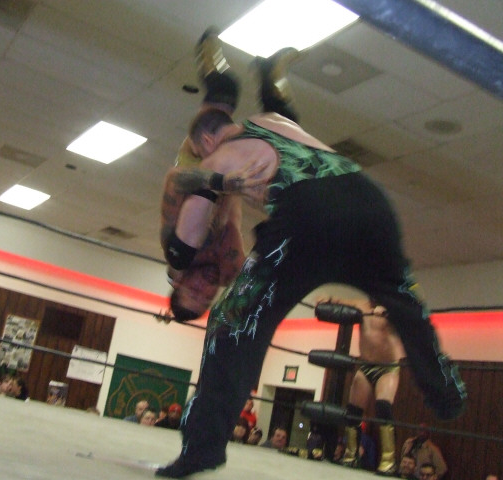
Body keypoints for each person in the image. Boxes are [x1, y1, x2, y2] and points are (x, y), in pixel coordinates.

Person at [157, 107, 466, 477]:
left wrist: (178, 258)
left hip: (307, 217)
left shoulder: (219, 159)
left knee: (231, 321)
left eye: (199, 151)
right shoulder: (271, 120)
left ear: (207, 140)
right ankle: (444, 387)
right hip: (371, 202)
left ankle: (201, 450)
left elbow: (185, 243)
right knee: (401, 296)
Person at [162, 28, 300, 322]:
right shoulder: (229, 270)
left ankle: (205, 49)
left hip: (201, 162)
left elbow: (175, 179)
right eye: (207, 298)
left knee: (225, 91)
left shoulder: (177, 247)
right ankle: (270, 73)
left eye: (194, 291)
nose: (205, 289)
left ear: (179, 282)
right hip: (232, 179)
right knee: (286, 138)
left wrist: (218, 181)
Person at [328, 298, 404, 475]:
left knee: (383, 407)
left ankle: (388, 461)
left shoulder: (395, 304)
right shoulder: (361, 305)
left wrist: (390, 313)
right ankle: (350, 456)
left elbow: (410, 314)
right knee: (353, 411)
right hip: (365, 366)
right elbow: (341, 302)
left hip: (387, 368)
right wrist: (328, 299)